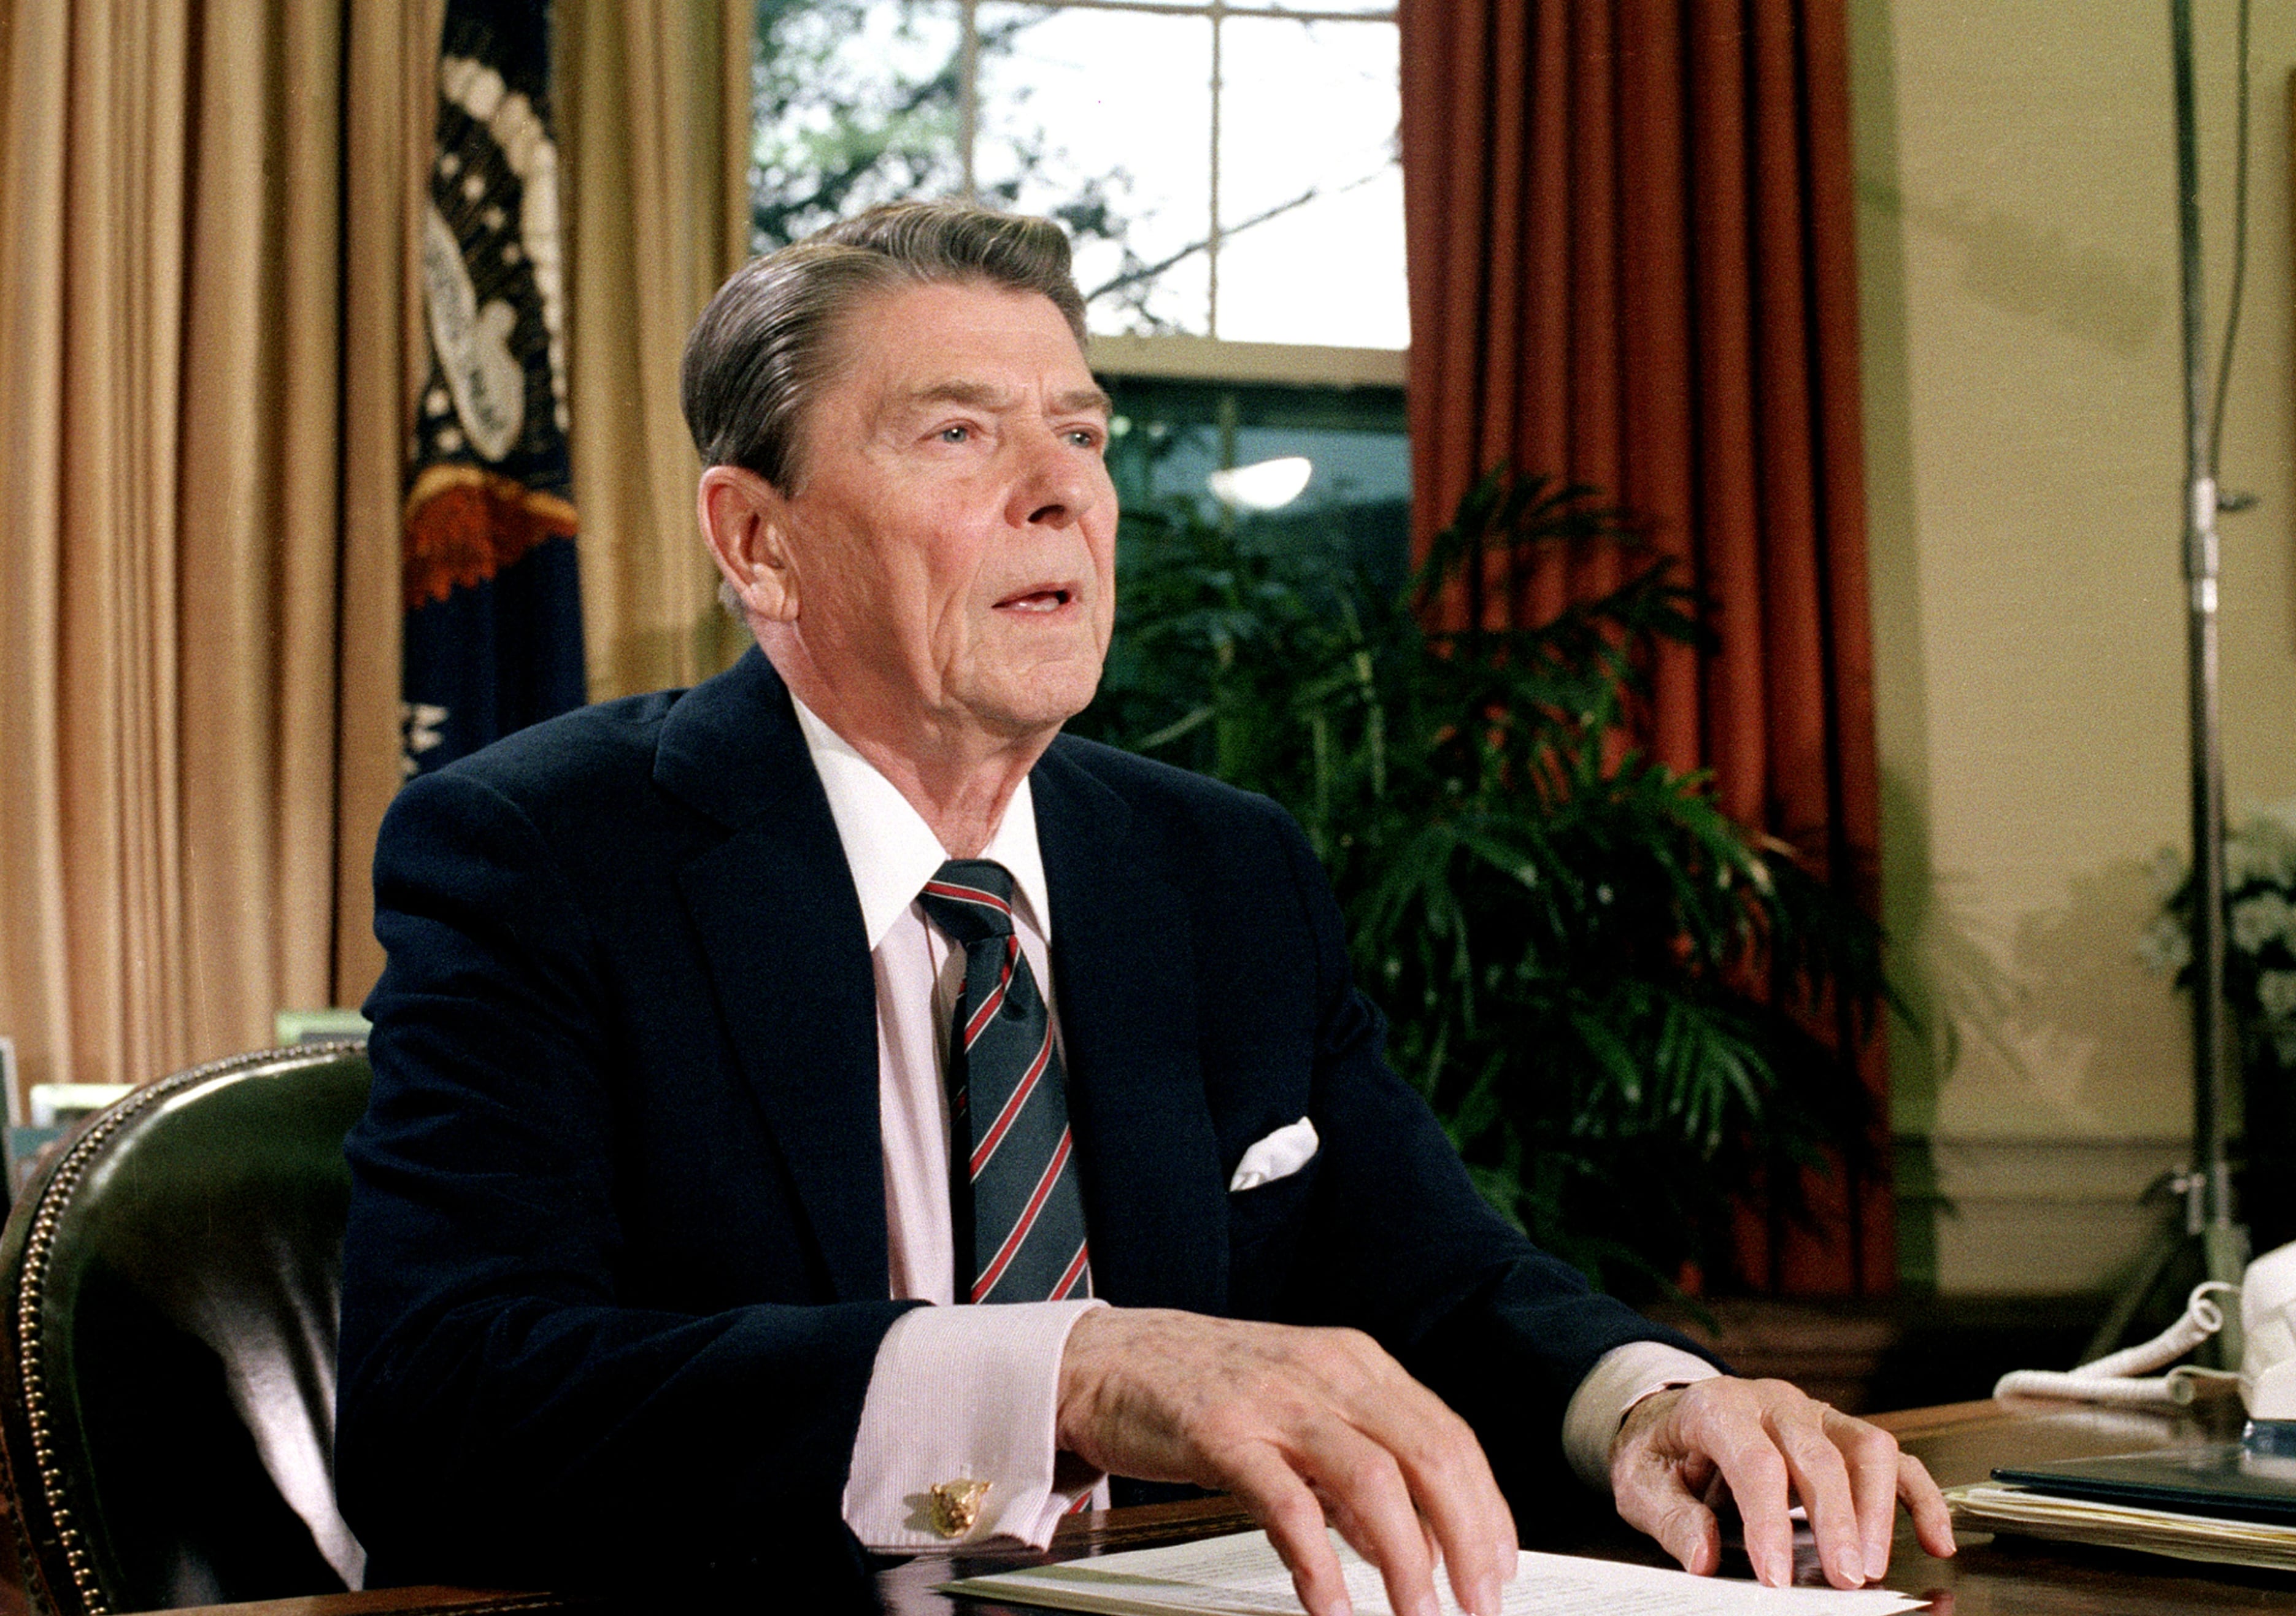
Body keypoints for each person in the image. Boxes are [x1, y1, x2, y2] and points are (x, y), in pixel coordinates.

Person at [337, 202, 1953, 1616]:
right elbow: (444, 1407)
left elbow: (1440, 1275)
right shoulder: (544, 851)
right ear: (761, 542)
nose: (1064, 493)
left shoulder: (1221, 871)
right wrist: (1068, 1372)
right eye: (961, 434)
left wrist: (1646, 1398)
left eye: (1085, 435)